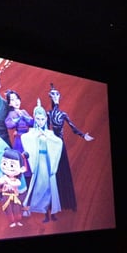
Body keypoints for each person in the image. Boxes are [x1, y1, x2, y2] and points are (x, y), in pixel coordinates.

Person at [47, 84, 93, 212]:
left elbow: (73, 128)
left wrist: (83, 136)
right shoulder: (49, 114)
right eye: (53, 95)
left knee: (64, 172)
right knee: (54, 173)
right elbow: (45, 129)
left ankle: (69, 202)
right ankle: (56, 203)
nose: (55, 97)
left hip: (60, 146)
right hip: (52, 146)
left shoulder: (63, 114)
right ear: (50, 97)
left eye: (57, 94)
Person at [22, 99, 64, 223]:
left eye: (43, 119)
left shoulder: (49, 133)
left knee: (50, 187)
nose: (40, 121)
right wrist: (36, 137)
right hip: (38, 163)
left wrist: (47, 138)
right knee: (41, 187)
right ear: (35, 118)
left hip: (48, 163)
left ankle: (53, 212)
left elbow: (58, 142)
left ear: (46, 119)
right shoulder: (31, 133)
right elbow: (25, 138)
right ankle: (44, 212)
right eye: (38, 118)